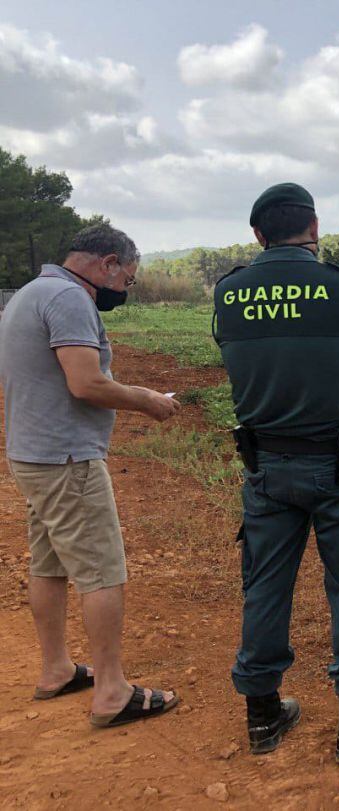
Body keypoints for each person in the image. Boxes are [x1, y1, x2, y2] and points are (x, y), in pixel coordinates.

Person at [212, 183, 339, 764]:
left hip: (265, 465)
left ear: (258, 236)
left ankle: (263, 716)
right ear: (314, 228)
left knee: (265, 586)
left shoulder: (230, 291)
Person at [0, 223, 182, 727]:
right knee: (101, 570)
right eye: (128, 277)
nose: (125, 288)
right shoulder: (70, 299)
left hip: (32, 454)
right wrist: (147, 401)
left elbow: (65, 376)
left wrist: (121, 387)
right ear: (106, 263)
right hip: (67, 461)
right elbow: (84, 383)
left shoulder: (29, 294)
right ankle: (111, 692)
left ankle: (56, 668)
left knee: (49, 564)